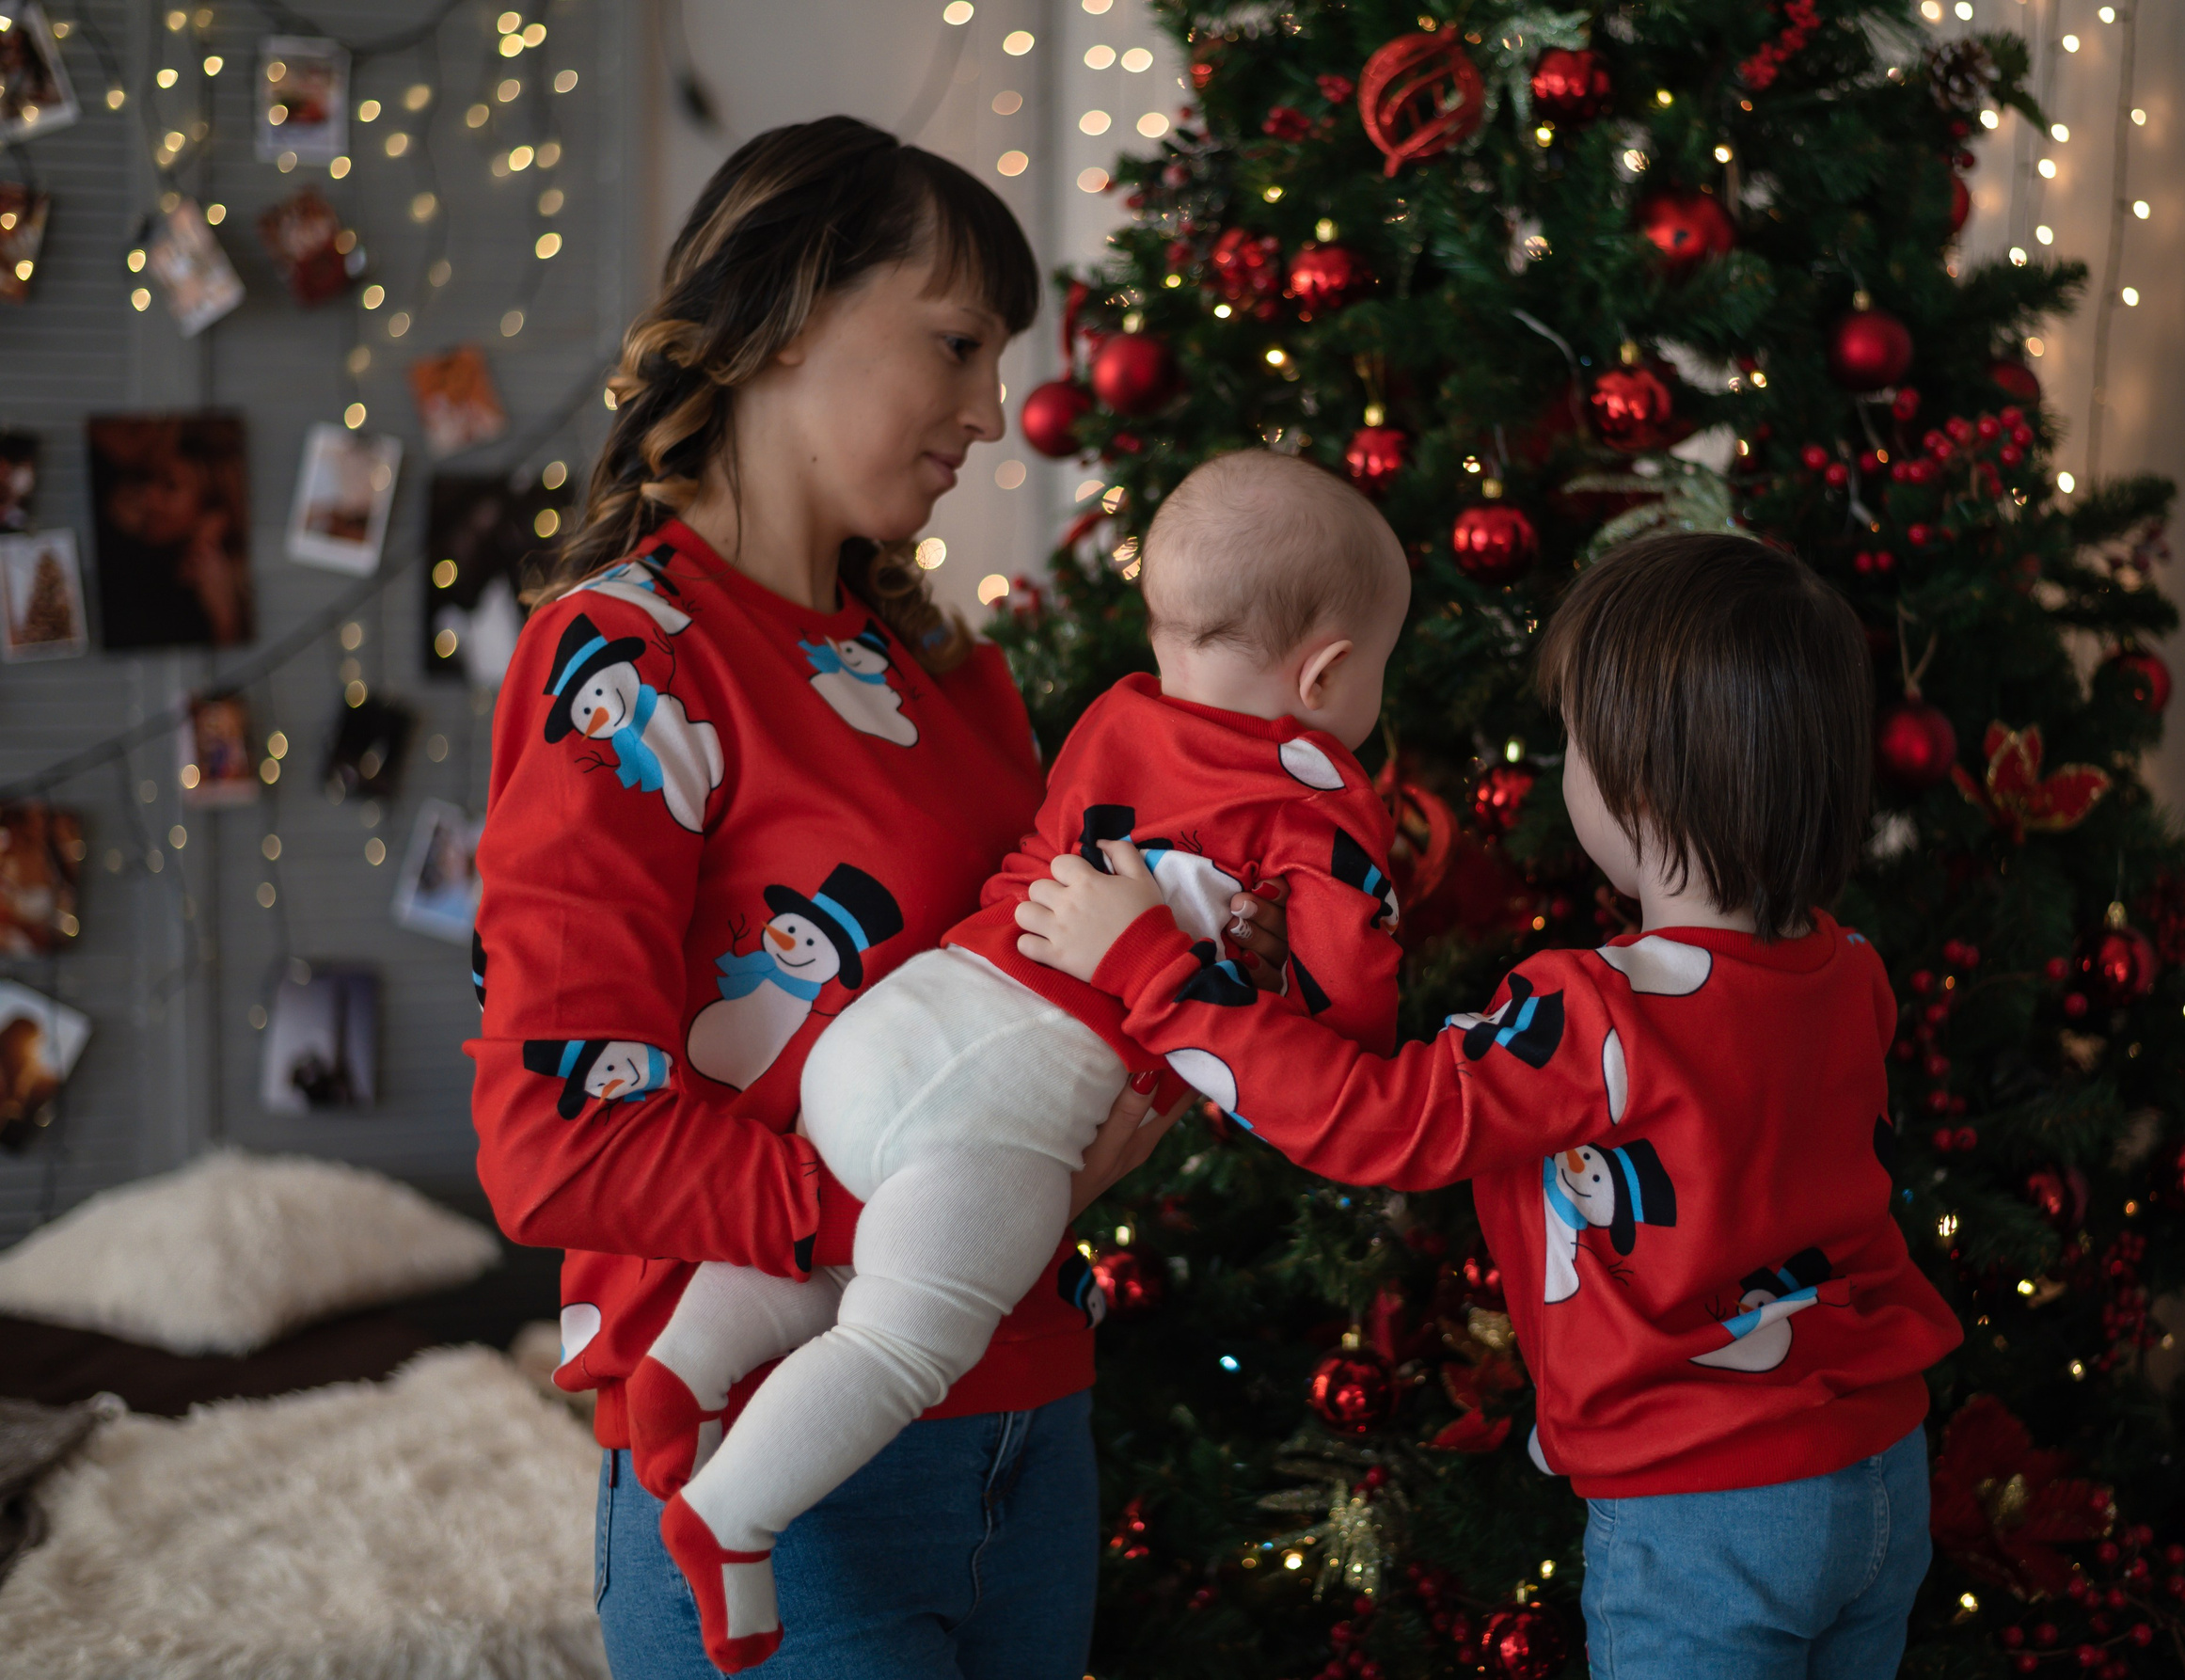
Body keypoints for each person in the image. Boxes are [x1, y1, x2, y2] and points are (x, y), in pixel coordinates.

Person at [467, 118, 1287, 1679]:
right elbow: (554, 1130)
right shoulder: (630, 668)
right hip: (781, 1468)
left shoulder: (954, 674)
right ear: (786, 316)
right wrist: (925, 1222)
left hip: (1029, 1421)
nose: (993, 412)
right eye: (958, 344)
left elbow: (1015, 1017)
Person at [1019, 531, 1965, 1678]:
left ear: (1638, 782)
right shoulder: (1845, 966)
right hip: (1879, 1470)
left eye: (1573, 742)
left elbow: (1381, 1121)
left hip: (1704, 1506)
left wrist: (1154, 973)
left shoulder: (1595, 1012)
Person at [631, 450, 1414, 1670]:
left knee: (852, 1254)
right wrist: (1297, 953)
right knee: (902, 1334)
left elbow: (1169, 848)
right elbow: (1350, 1019)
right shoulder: (1323, 801)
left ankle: (685, 1361)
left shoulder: (1117, 715)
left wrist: (1244, 936)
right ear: (1326, 672)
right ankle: (730, 1515)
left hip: (900, 1024)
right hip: (1004, 1107)